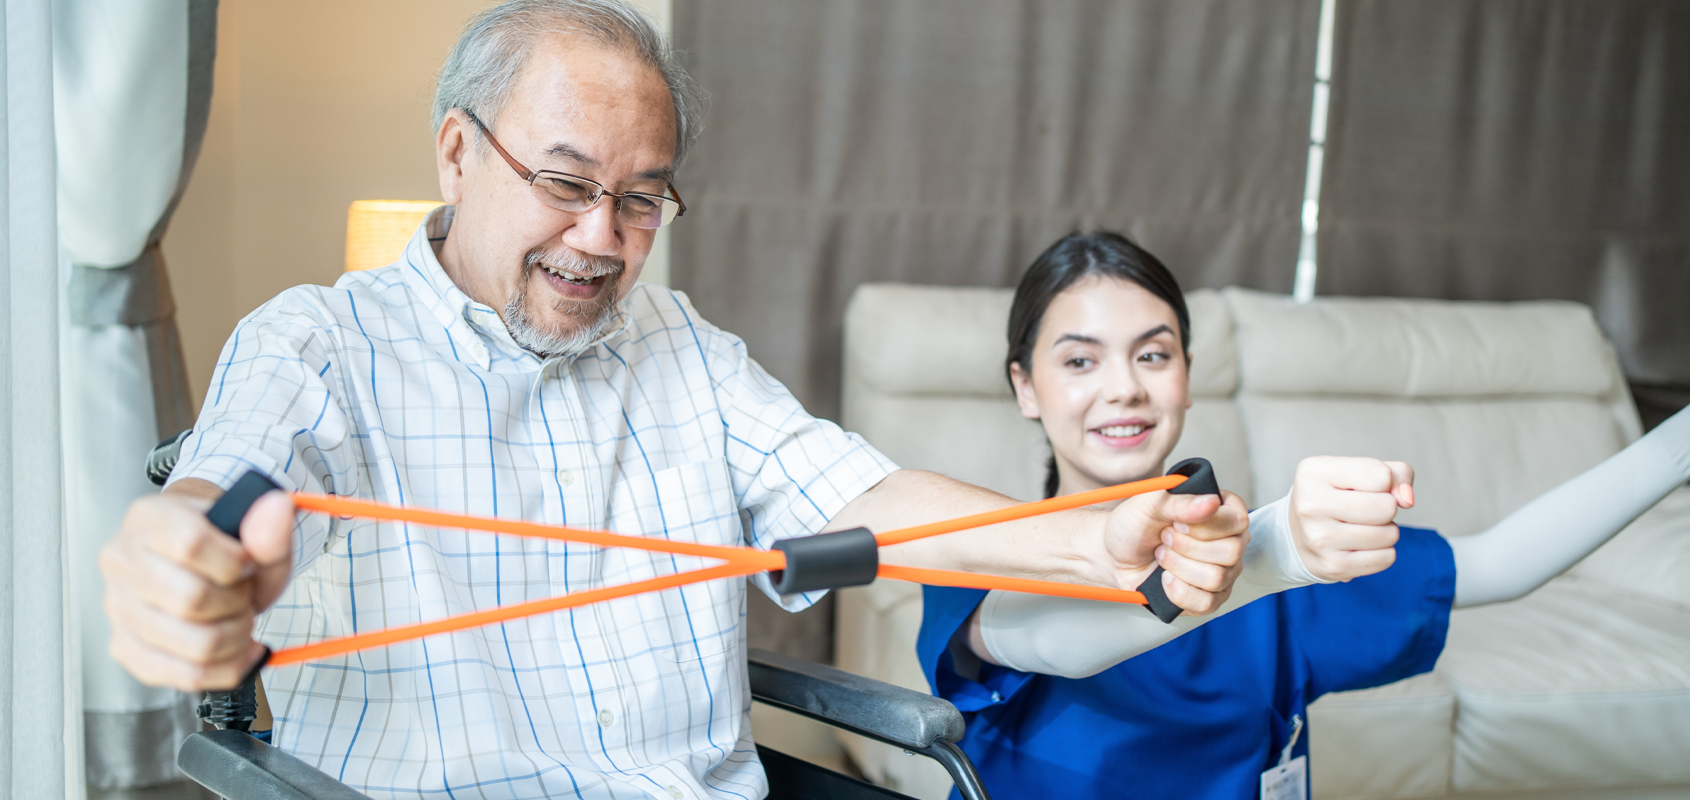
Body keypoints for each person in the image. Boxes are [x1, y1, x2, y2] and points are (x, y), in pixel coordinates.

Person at [96, 4, 1254, 800]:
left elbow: (862, 494)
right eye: (564, 183)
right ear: (456, 153)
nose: (600, 238)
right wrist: (182, 557)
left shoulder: (682, 347)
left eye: (642, 199)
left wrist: (1092, 537)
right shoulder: (319, 340)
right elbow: (224, 489)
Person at [917, 231, 1690, 800]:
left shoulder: (1278, 554)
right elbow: (1049, 639)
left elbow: (1495, 565)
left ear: (1187, 377)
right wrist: (1268, 552)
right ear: (1025, 386)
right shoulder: (981, 548)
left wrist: (1675, 451)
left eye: (1153, 354)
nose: (1123, 387)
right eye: (1080, 361)